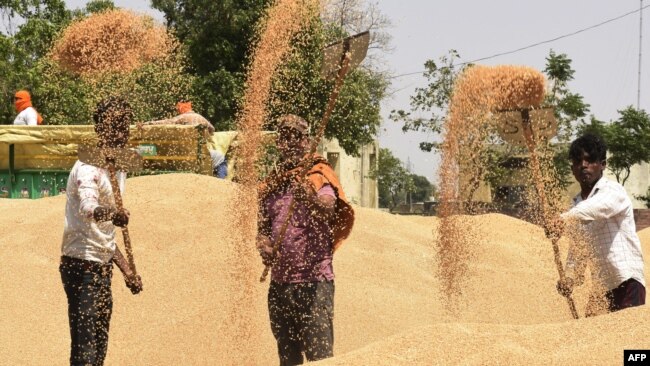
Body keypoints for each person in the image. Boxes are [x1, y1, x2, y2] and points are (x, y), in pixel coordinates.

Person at [257, 114, 354, 366]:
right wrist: (264, 246)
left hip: (314, 283)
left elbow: (329, 208)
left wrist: (308, 198)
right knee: (287, 357)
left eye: (295, 137)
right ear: (278, 143)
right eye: (284, 137)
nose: (289, 142)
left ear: (306, 141)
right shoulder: (272, 182)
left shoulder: (317, 174)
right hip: (280, 286)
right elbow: (262, 229)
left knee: (319, 357)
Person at [59, 97, 143, 366]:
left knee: (98, 349)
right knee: (85, 350)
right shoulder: (87, 168)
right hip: (81, 267)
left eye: (124, 126)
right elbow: (88, 208)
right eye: (114, 126)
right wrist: (112, 214)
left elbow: (105, 237)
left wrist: (127, 270)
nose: (120, 134)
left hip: (101, 267)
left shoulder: (117, 170)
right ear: (99, 130)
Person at [554, 133, 645, 316]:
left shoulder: (612, 191)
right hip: (601, 289)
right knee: (592, 336)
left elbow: (596, 208)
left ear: (602, 164)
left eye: (590, 160)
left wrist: (561, 220)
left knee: (627, 337)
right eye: (578, 161)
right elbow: (578, 249)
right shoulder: (576, 205)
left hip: (626, 281)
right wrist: (570, 278)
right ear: (572, 168)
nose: (583, 165)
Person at [142, 100, 227, 177]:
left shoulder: (181, 118)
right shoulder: (200, 118)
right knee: (220, 158)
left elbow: (164, 123)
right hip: (199, 153)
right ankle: (220, 183)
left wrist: (147, 123)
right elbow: (212, 129)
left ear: (181, 109)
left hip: (183, 153)